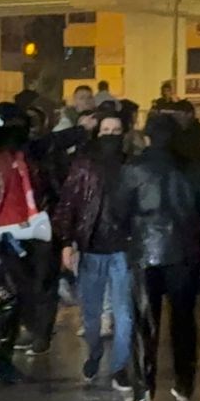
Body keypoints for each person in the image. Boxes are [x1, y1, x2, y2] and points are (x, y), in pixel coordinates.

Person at [0, 103, 90, 381]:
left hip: (18, 236)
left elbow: (50, 142)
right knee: (12, 295)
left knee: (18, 295)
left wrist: (82, 130)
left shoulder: (23, 153)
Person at [117, 112, 200, 401]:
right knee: (183, 321)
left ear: (148, 137)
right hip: (185, 252)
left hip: (145, 251)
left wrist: (132, 233)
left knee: (145, 321)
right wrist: (197, 228)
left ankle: (143, 389)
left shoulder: (134, 169)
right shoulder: (194, 168)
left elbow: (118, 210)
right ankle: (184, 383)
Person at [55, 113, 134, 385]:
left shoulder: (131, 166)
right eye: (106, 130)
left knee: (124, 313)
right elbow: (68, 205)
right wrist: (67, 243)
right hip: (91, 249)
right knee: (91, 314)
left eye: (116, 130)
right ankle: (95, 352)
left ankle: (120, 367)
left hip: (123, 250)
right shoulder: (84, 166)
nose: (110, 135)